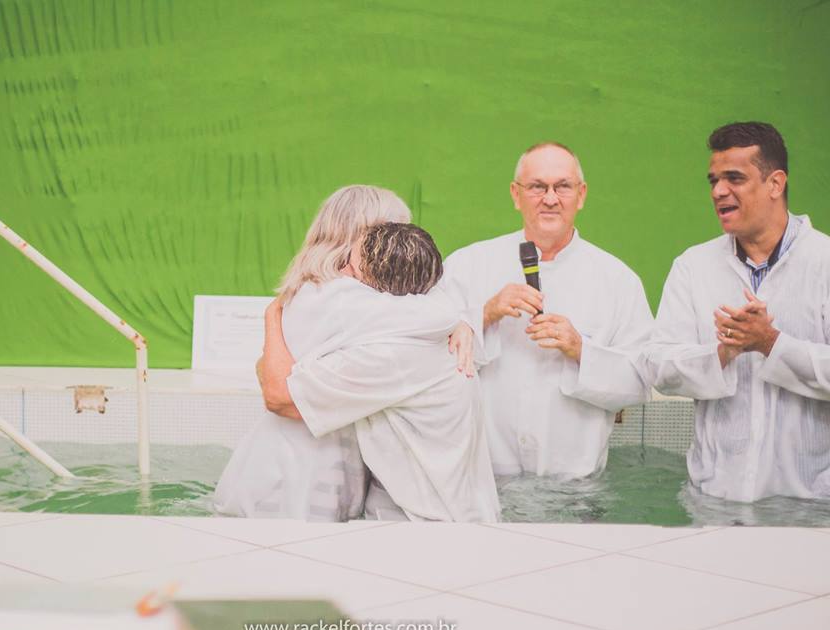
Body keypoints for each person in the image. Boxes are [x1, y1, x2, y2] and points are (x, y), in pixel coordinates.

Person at [260, 222, 500, 522]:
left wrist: (273, 313)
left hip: (425, 527)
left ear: (377, 291)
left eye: (351, 267)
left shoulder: (391, 356)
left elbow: (279, 397)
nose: (341, 272)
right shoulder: (435, 330)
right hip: (467, 513)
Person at [440, 142, 653, 479]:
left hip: (575, 489)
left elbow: (640, 383)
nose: (550, 199)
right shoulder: (467, 266)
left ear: (581, 195)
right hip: (485, 484)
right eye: (537, 186)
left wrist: (580, 349)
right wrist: (485, 314)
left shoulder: (618, 281)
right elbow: (430, 363)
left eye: (563, 186)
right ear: (516, 194)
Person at [644, 122, 830, 503]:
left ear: (775, 184)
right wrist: (722, 352)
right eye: (714, 180)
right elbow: (659, 368)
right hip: (713, 500)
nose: (718, 191)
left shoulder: (824, 263)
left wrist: (771, 344)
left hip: (812, 506)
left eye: (734, 178)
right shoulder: (692, 267)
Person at [212, 185, 411, 521]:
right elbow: (428, 316)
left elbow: (266, 369)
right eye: (397, 233)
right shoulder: (348, 300)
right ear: (364, 236)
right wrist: (464, 321)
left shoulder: (309, 290)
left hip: (273, 468)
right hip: (297, 479)